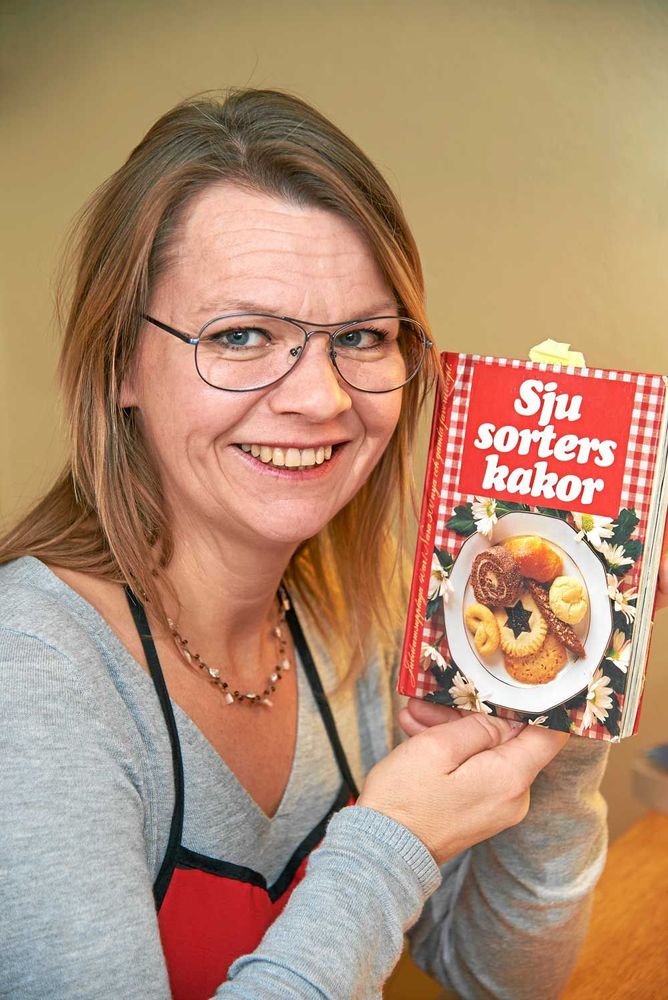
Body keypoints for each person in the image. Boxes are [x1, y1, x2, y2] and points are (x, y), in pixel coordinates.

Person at [1, 89, 662, 1000]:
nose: (320, 398)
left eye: (359, 336)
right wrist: (392, 842)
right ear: (120, 364)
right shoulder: (31, 675)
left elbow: (496, 978)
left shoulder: (355, 615)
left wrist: (565, 704)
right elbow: (387, 874)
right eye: (240, 335)